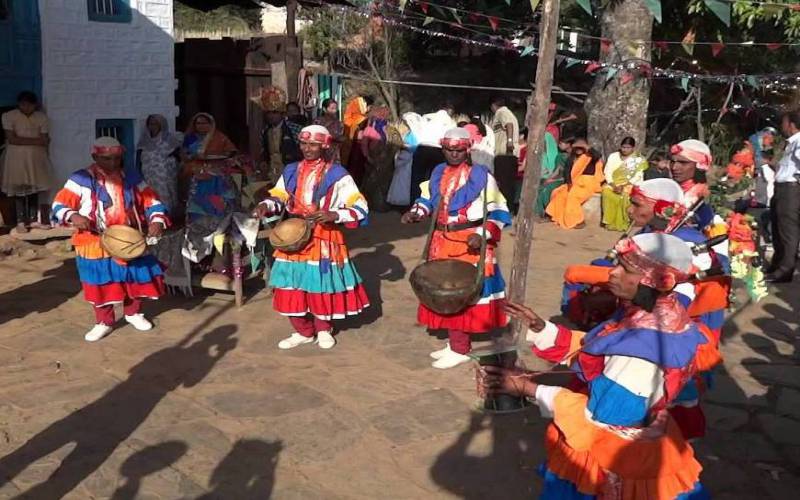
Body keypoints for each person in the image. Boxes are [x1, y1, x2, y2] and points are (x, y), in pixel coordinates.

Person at [482, 233, 714, 499]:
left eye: (626, 269)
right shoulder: (653, 312)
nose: (612, 273)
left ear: (660, 281)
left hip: (614, 454)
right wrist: (541, 328)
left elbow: (605, 415)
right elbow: (596, 349)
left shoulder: (643, 352)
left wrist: (527, 388)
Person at [401, 128, 511, 369]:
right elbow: (428, 200)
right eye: (449, 149)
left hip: (468, 242)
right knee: (443, 292)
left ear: (467, 150)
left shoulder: (481, 176)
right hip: (441, 240)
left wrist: (481, 235)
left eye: (458, 150)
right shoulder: (438, 172)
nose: (453, 154)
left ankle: (460, 349)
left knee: (463, 294)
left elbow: (498, 211)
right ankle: (455, 344)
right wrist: (416, 213)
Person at [254, 125, 369, 350]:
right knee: (290, 283)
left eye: (313, 145)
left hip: (324, 234)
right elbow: (279, 196)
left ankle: (323, 329)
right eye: (304, 144)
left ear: (324, 146)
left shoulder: (337, 174)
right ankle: (303, 331)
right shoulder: (290, 170)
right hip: (293, 232)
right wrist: (266, 205)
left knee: (320, 283)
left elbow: (360, 206)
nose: (307, 149)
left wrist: (334, 214)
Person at [51, 137, 168, 342]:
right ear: (94, 156)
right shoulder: (80, 179)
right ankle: (104, 322)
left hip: (129, 238)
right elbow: (59, 205)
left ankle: (133, 313)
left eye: (116, 158)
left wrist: (157, 220)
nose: (113, 163)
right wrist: (74, 216)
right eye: (106, 159)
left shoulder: (131, 177)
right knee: (100, 282)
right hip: (94, 240)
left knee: (133, 277)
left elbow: (152, 200)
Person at [1, 91, 53, 231]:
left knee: (34, 187)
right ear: (19, 104)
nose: (26, 107)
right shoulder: (9, 116)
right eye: (23, 104)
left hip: (36, 157)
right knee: (19, 187)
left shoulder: (41, 117)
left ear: (35, 105)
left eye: (29, 105)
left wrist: (23, 140)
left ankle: (33, 219)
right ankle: (20, 221)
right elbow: (12, 139)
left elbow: (45, 140)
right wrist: (36, 141)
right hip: (16, 157)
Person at [767, 111, 800, 283]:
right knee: (779, 228)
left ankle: (785, 270)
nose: (782, 126)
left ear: (791, 125)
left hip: (790, 190)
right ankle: (778, 264)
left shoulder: (799, 142)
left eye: (784, 123)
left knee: (788, 231)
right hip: (783, 189)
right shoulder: (791, 143)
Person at [546, 138, 604, 229]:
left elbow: (598, 155)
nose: (578, 149)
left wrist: (585, 146)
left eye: (581, 147)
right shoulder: (571, 158)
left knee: (572, 197)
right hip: (574, 183)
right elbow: (567, 172)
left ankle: (578, 220)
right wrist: (569, 183)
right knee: (558, 193)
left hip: (587, 184)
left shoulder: (590, 157)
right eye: (577, 147)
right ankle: (556, 216)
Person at [137, 114, 182, 214]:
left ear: (162, 125)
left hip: (165, 176)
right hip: (148, 175)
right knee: (150, 195)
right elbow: (139, 159)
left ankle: (166, 215)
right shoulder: (144, 141)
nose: (153, 127)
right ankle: (153, 215)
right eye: (150, 124)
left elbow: (178, 157)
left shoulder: (170, 140)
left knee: (165, 196)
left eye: (156, 124)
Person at [409, 106, 455, 201]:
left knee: (417, 178)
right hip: (437, 150)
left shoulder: (429, 120)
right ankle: (432, 201)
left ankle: (415, 201)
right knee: (434, 178)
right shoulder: (450, 123)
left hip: (422, 148)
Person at [601, 137, 647, 232]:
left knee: (625, 195)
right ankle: (609, 222)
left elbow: (638, 176)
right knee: (606, 192)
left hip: (629, 184)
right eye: (623, 147)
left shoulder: (638, 159)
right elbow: (608, 171)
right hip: (613, 183)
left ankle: (623, 223)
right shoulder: (613, 156)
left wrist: (624, 185)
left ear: (633, 148)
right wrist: (613, 185)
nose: (625, 150)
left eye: (628, 148)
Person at [258, 87, 302, 184]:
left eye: (274, 112)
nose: (271, 116)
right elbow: (264, 151)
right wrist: (264, 162)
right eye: (268, 113)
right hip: (272, 172)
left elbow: (303, 151)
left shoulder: (294, 129)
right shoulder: (265, 131)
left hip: (291, 171)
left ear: (282, 114)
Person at [490, 97, 520, 206]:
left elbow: (509, 125)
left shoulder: (501, 112)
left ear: (493, 105)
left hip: (505, 153)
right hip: (506, 154)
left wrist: (509, 141)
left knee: (503, 183)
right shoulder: (507, 113)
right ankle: (506, 207)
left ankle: (504, 207)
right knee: (507, 183)